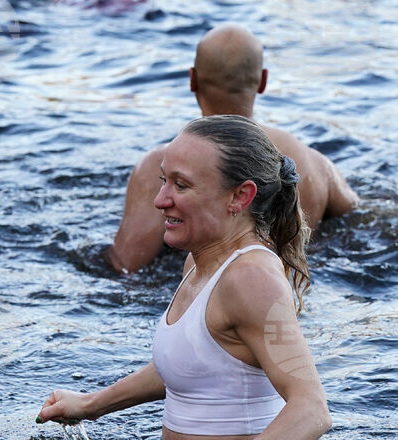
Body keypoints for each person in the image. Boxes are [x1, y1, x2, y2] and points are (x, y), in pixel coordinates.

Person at [38, 115, 332, 440]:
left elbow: (311, 408)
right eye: (162, 182)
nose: (160, 200)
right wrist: (91, 404)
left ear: (239, 196)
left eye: (181, 185)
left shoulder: (251, 279)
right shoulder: (199, 261)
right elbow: (192, 365)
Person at [107, 24, 359, 273]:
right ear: (263, 81)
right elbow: (359, 216)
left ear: (192, 79)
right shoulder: (311, 161)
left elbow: (126, 265)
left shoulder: (165, 164)